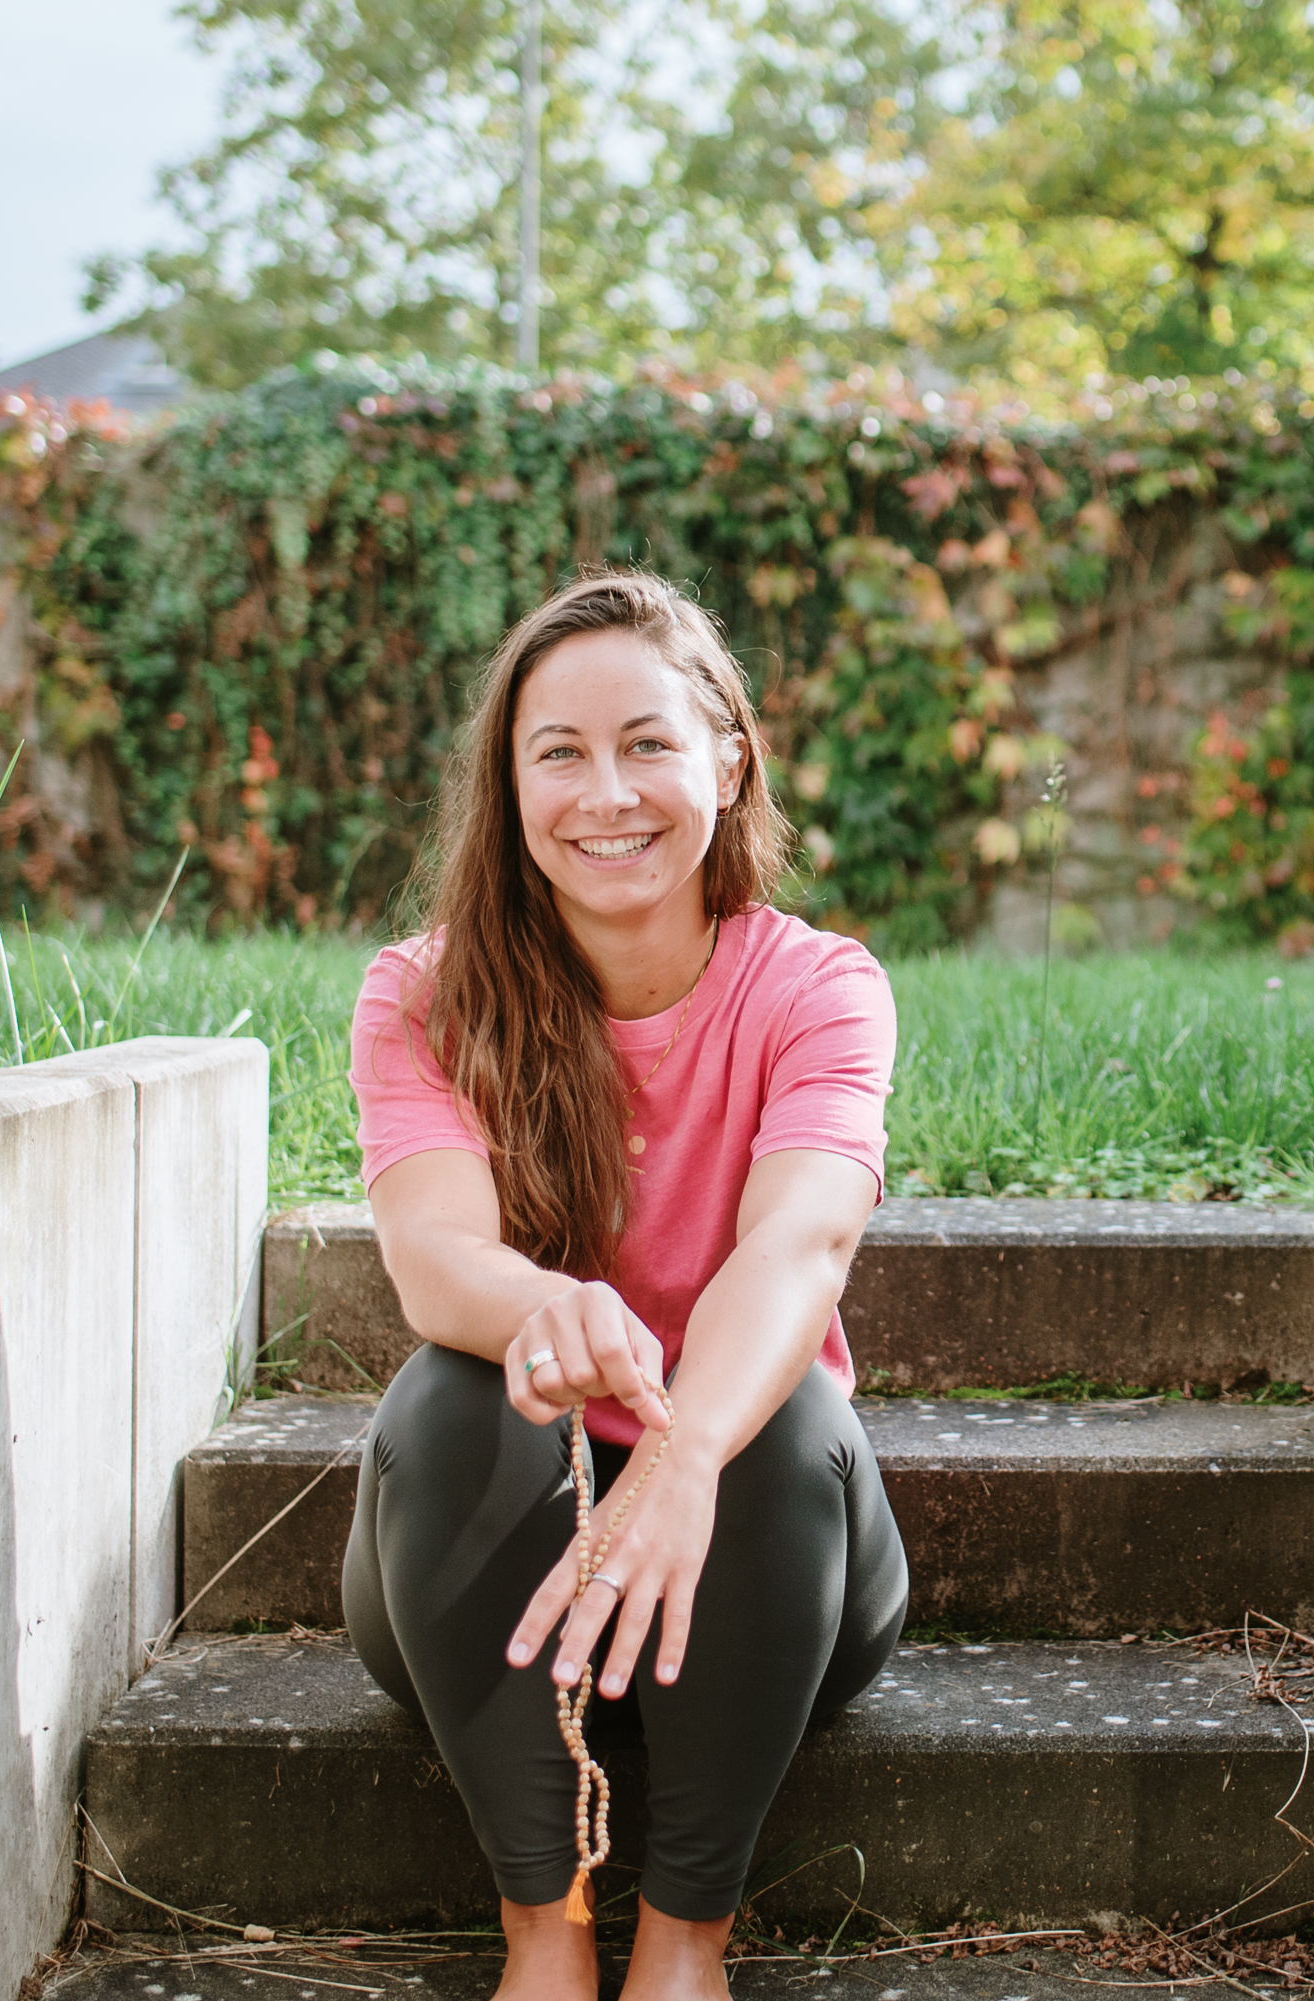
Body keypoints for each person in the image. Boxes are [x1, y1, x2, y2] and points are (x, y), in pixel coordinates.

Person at [343, 569, 909, 2001]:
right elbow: (431, 1258)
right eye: (561, 752)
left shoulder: (818, 987)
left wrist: (684, 1446)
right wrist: (546, 1306)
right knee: (447, 1398)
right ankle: (544, 1930)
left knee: (778, 1429)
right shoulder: (422, 994)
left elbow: (799, 1244)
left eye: (649, 743)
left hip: (766, 1585)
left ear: (729, 758)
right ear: (509, 783)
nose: (609, 792)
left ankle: (681, 1952)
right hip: (494, 1592)